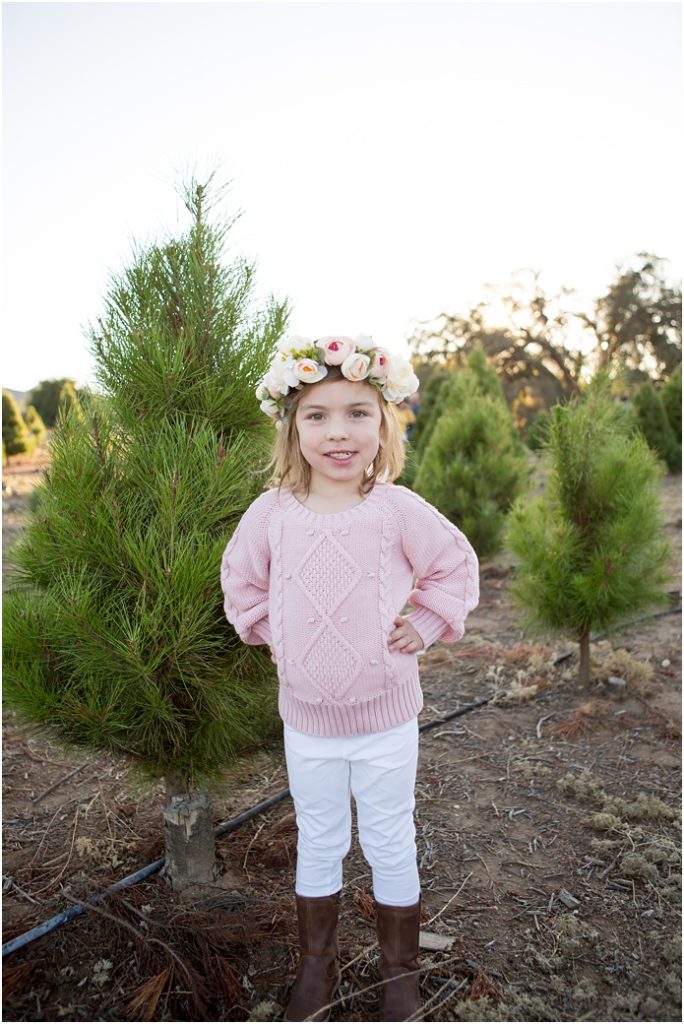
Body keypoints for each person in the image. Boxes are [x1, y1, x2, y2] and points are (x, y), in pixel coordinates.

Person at [221, 334, 479, 1022]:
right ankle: (317, 965)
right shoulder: (271, 513)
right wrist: (278, 630)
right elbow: (241, 583)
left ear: (384, 421)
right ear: (291, 426)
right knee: (321, 835)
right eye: (318, 415)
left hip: (386, 717)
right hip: (306, 719)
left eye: (358, 413)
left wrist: (424, 622)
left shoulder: (397, 509)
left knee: (390, 834)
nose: (339, 432)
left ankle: (399, 972)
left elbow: (455, 566)